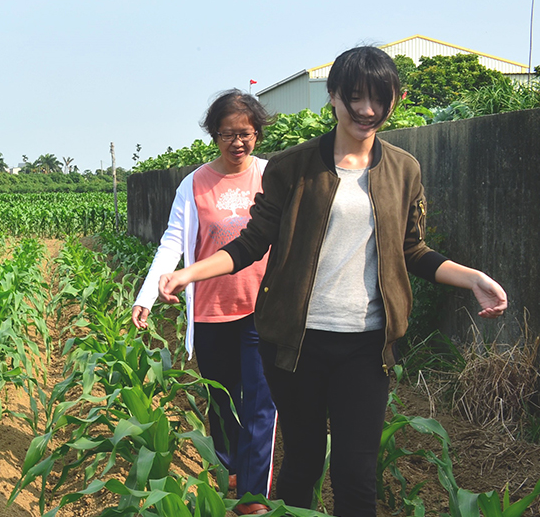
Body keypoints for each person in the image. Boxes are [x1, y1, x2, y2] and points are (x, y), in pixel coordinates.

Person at [158, 46, 507, 517]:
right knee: (300, 464)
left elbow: (414, 252)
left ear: (395, 100)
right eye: (355, 97)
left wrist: (472, 279)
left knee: (356, 474)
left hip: (367, 344)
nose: (367, 110)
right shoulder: (292, 167)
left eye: (379, 98)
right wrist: (188, 273)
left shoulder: (404, 169)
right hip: (298, 344)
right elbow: (251, 243)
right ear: (334, 97)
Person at [133, 89, 277, 516]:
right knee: (222, 401)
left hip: (262, 309)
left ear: (258, 133)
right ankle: (231, 473)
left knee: (260, 404)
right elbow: (173, 241)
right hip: (212, 310)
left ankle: (253, 499)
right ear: (214, 135)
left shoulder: (272, 177)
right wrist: (147, 295)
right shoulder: (194, 183)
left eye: (246, 134)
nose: (238, 143)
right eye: (228, 134)